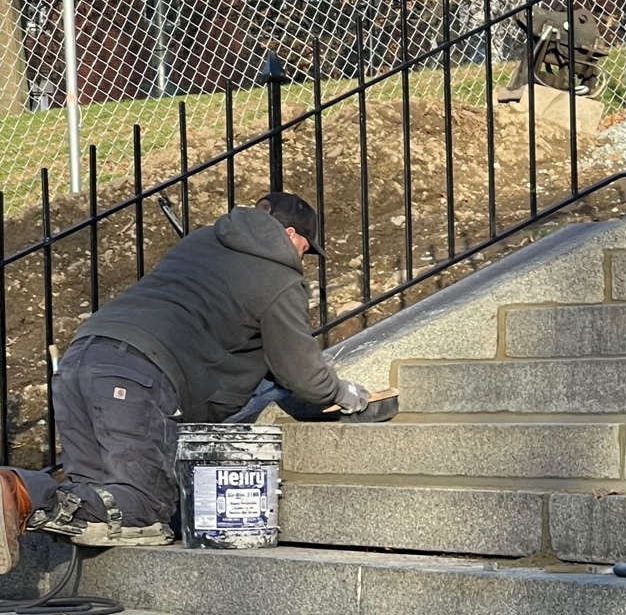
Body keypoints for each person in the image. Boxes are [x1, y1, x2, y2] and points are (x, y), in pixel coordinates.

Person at [0, 191, 393, 575]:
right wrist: (346, 395)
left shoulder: (204, 241)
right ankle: (15, 489)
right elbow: (303, 373)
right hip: (136, 375)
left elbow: (222, 328)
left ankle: (20, 497)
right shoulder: (279, 276)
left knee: (94, 501)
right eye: (307, 248)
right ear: (291, 235)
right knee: (144, 508)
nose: (304, 260)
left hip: (80, 359)